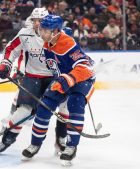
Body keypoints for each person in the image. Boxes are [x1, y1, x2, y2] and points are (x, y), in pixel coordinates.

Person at [21, 15, 95, 166]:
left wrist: (68, 79)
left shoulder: (67, 43)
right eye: (41, 29)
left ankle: (71, 147)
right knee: (44, 107)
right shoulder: (47, 43)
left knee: (75, 104)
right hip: (63, 79)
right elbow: (54, 67)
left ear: (55, 31)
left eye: (45, 30)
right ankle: (35, 144)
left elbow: (85, 68)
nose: (41, 33)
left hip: (82, 80)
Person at [0, 8, 55, 155]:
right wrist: (6, 64)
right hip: (32, 77)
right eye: (35, 20)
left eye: (41, 20)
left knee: (63, 107)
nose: (38, 23)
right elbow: (11, 49)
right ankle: (5, 141)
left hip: (53, 77)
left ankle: (62, 142)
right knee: (22, 111)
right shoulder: (25, 34)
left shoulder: (57, 35)